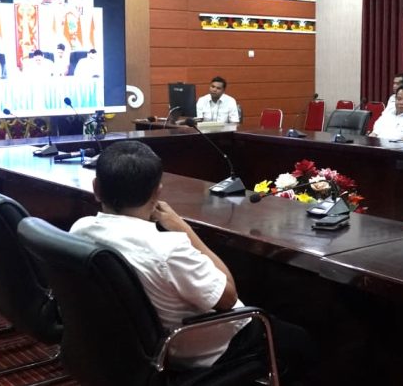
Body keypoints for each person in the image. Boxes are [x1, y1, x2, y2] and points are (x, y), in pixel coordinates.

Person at [70, 141, 313, 376]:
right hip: (197, 352)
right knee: (299, 339)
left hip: (131, 349)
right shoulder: (168, 249)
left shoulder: (80, 230)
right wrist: (184, 229)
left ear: (96, 188)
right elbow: (228, 298)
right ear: (157, 192)